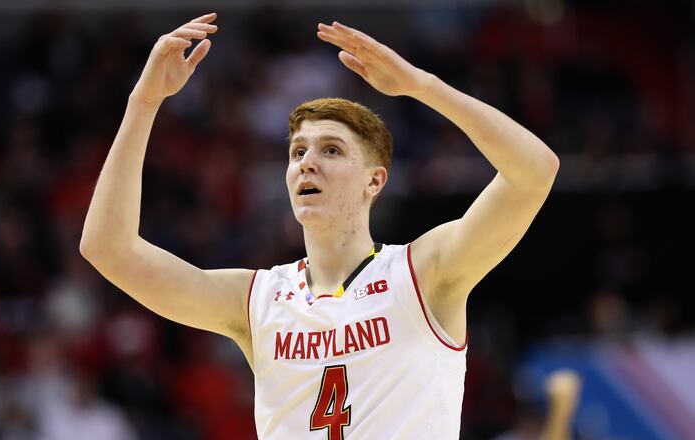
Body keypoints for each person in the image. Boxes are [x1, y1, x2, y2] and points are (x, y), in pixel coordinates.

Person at [80, 12, 559, 439]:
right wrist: (143, 102)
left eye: (331, 150)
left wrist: (421, 86)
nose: (307, 163)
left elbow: (535, 171)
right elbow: (108, 248)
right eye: (297, 152)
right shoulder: (256, 301)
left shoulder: (424, 273)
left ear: (376, 180)